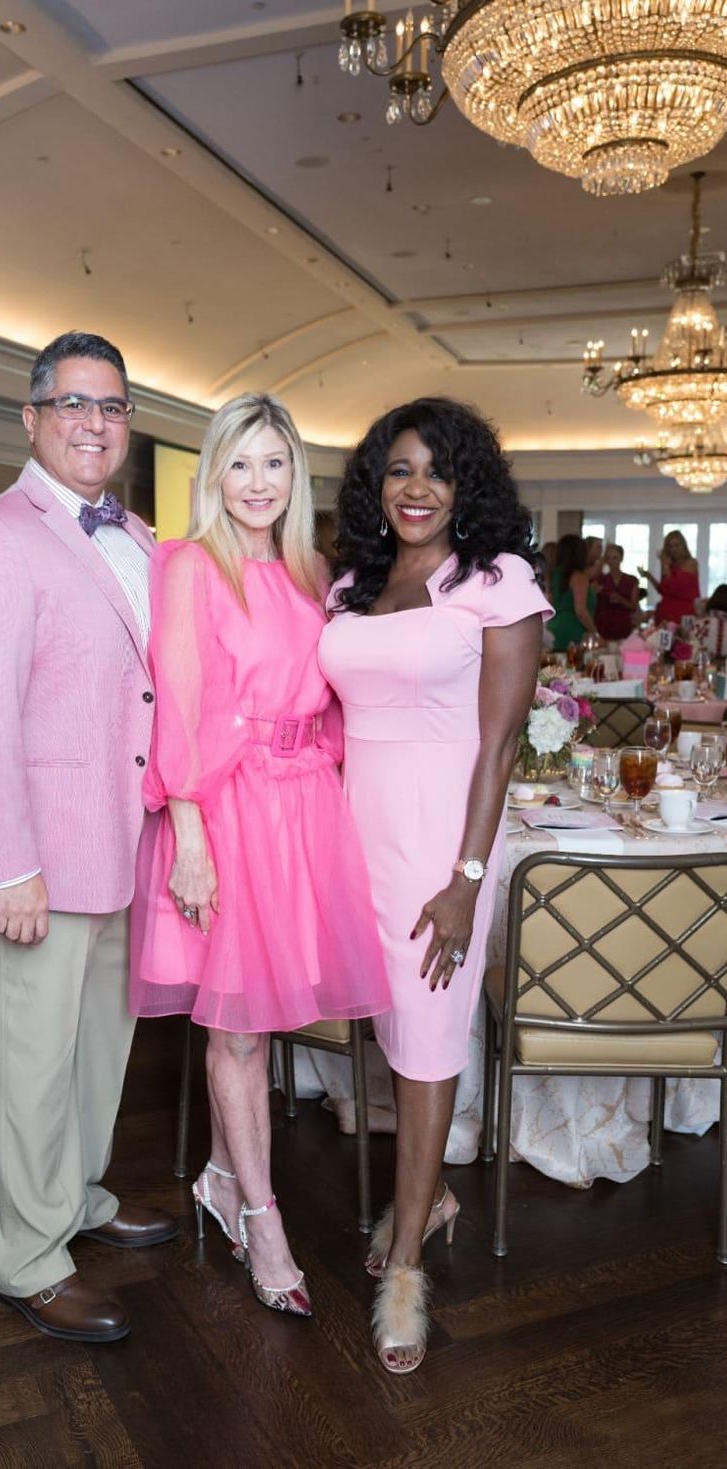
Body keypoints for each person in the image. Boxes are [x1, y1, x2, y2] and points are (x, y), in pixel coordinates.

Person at [0, 331, 177, 1346]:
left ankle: (73, 1194)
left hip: (123, 848)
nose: (93, 421)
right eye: (71, 402)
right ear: (29, 418)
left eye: (112, 406)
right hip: (36, 858)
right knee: (29, 1059)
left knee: (95, 1052)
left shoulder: (145, 538)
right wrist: (6, 865)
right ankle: (25, 1255)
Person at [131, 393, 389, 1320]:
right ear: (214, 472)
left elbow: (337, 702)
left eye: (273, 463)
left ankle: (218, 1172)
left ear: (295, 475)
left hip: (303, 809)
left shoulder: (314, 569)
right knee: (235, 1028)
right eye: (238, 464)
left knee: (270, 1018)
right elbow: (181, 703)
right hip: (226, 810)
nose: (256, 483)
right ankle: (263, 1217)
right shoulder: (191, 566)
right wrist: (189, 832)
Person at [319, 397, 550, 1374]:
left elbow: (496, 746)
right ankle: (431, 1197)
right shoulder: (349, 583)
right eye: (398, 469)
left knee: (425, 1039)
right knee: (388, 1028)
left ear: (467, 486)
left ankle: (405, 1259)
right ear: (377, 482)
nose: (414, 489)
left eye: (435, 471)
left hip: (438, 847)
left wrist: (464, 878)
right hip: (351, 835)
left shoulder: (495, 582)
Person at [546, 532, 596, 651]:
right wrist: (595, 632)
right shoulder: (579, 576)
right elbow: (580, 611)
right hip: (574, 631)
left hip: (553, 630)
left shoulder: (551, 574)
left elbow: (550, 603)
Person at [639, 530, 701, 625]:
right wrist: (649, 576)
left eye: (677, 545)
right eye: (670, 546)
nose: (674, 549)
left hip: (683, 613)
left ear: (683, 546)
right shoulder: (668, 565)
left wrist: (665, 565)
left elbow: (674, 587)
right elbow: (663, 590)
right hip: (665, 613)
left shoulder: (691, 563)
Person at [593, 542, 639, 641]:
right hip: (603, 625)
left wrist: (621, 600)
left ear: (621, 558)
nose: (611, 561)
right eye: (608, 558)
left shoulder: (631, 580)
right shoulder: (600, 579)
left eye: (615, 558)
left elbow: (634, 607)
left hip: (623, 625)